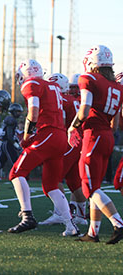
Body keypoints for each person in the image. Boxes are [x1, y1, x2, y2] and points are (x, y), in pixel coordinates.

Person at [8, 59, 79, 236]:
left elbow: (33, 112)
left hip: (47, 133)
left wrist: (26, 136)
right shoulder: (50, 85)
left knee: (16, 173)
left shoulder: (31, 83)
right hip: (60, 136)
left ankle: (27, 216)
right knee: (51, 185)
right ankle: (70, 226)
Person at [68, 45, 123, 244]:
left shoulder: (88, 79)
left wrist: (72, 127)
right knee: (95, 186)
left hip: (93, 135)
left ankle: (118, 223)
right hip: (107, 136)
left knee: (89, 188)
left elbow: (84, 110)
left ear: (92, 62)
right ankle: (93, 232)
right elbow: (115, 123)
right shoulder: (117, 85)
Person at [39, 73, 87, 226]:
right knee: (74, 182)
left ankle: (60, 213)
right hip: (79, 142)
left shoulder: (63, 100)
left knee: (54, 178)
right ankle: (81, 216)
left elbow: (61, 122)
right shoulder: (74, 100)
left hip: (69, 141)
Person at [0, 103, 23, 178]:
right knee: (15, 161)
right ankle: (18, 177)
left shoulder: (9, 118)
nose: (19, 113)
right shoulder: (11, 120)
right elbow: (10, 136)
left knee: (0, 162)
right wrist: (17, 146)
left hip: (4, 143)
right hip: (8, 143)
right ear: (13, 111)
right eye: (18, 112)